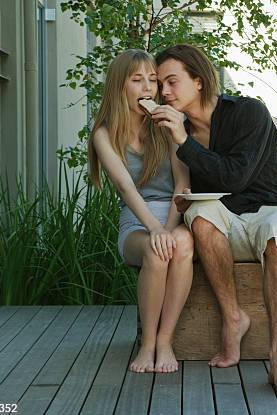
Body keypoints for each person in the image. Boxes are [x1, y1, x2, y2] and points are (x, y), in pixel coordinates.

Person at [152, 44, 277, 395]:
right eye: (160, 83)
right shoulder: (179, 131)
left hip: (271, 210)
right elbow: (194, 192)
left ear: (199, 80)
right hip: (225, 221)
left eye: (172, 81)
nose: (164, 92)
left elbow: (235, 178)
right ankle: (233, 318)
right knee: (200, 214)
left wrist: (182, 140)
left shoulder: (248, 113)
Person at [88, 49, 193, 373]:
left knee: (183, 245)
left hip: (175, 213)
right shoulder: (104, 134)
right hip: (137, 220)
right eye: (138, 80)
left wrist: (170, 227)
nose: (148, 88)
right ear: (121, 87)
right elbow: (125, 187)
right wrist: (155, 230)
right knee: (155, 250)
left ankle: (165, 341)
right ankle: (147, 344)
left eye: (152, 80)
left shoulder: (168, 124)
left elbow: (182, 181)